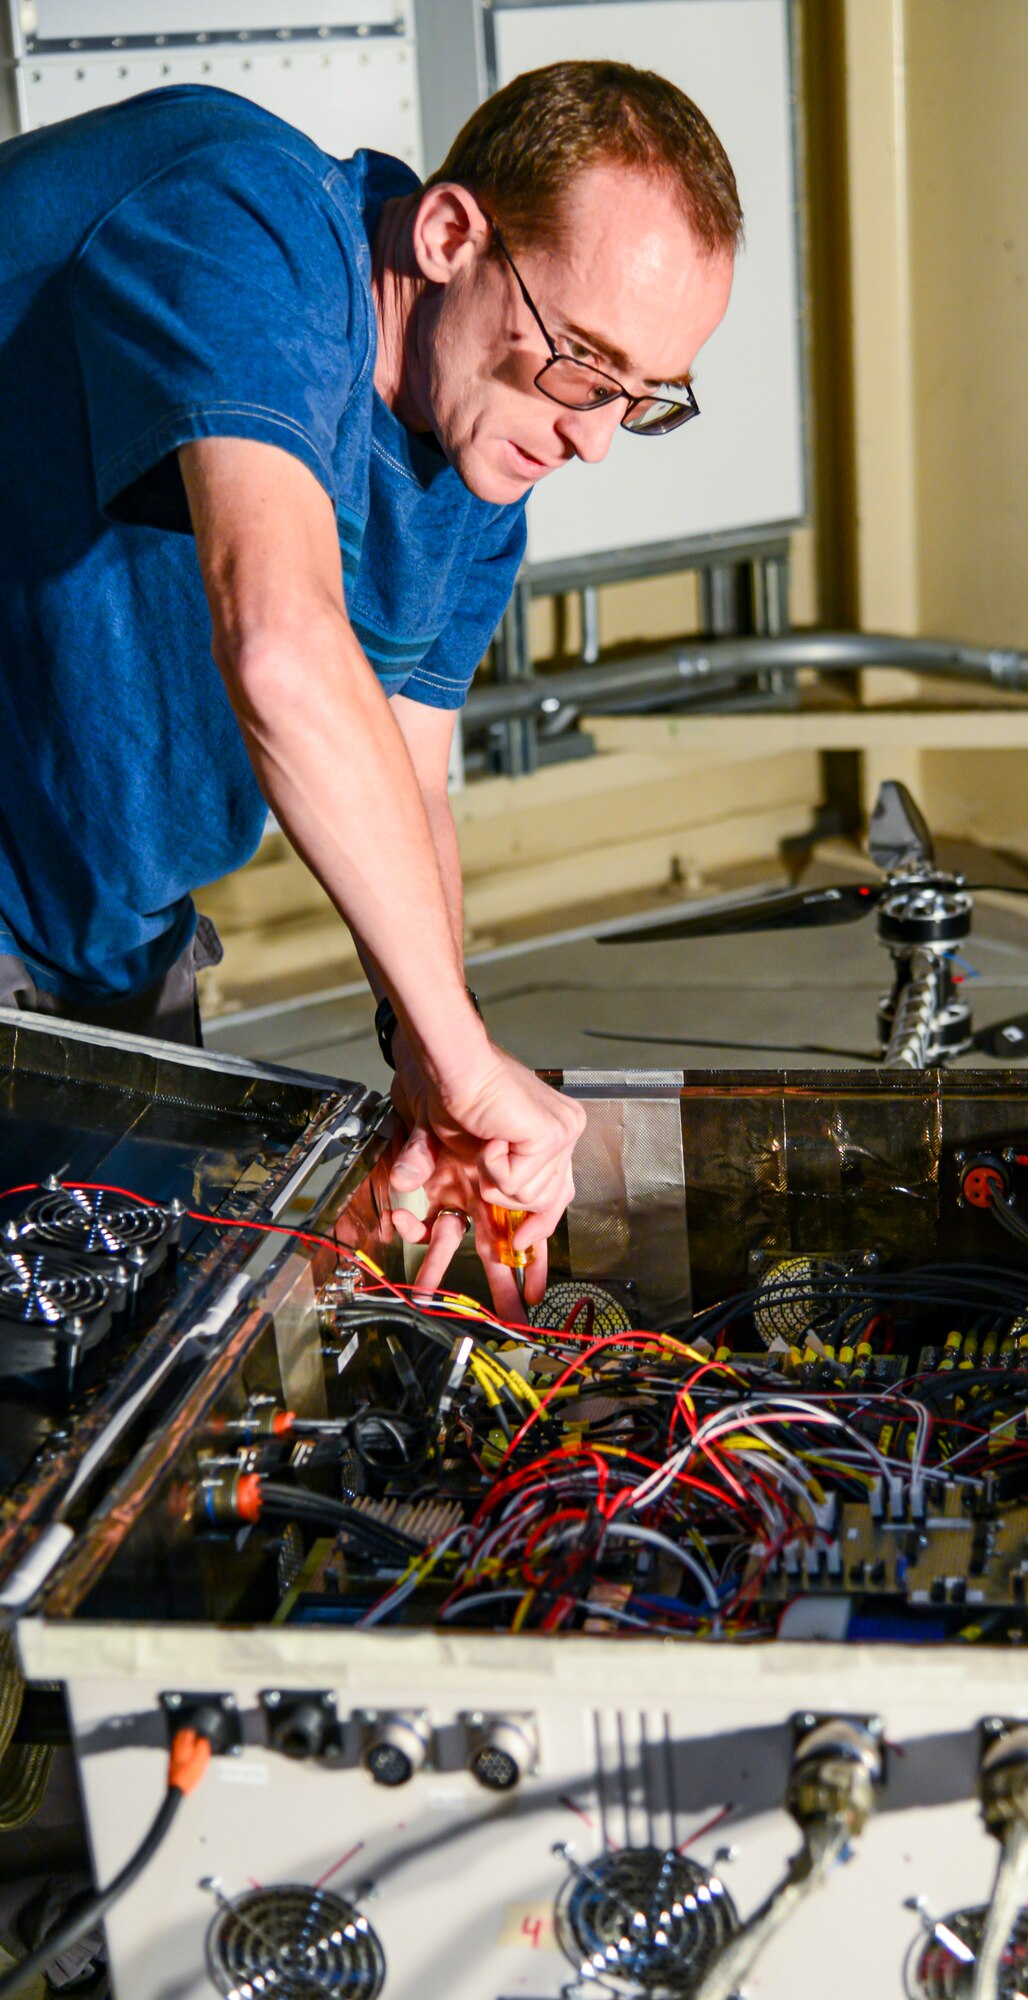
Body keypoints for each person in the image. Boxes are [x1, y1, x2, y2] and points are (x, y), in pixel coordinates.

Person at [0, 61, 741, 1316]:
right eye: (583, 366)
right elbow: (281, 646)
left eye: (641, 399)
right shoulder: (241, 216)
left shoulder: (473, 482)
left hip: (98, 925)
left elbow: (413, 790)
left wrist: (427, 1058)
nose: (594, 437)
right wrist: (467, 1059)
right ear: (453, 234)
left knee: (98, 1352)